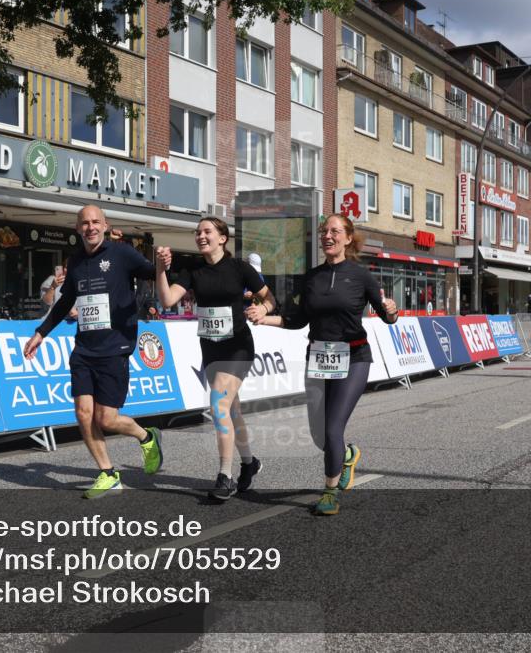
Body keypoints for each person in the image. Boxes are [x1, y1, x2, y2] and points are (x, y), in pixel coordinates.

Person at [248, 214, 398, 516]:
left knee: (332, 430)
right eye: (324, 231)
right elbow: (296, 318)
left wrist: (392, 311)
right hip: (317, 359)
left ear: (347, 238)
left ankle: (330, 492)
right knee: (320, 436)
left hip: (354, 358)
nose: (327, 235)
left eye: (335, 231)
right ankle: (348, 455)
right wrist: (265, 319)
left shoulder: (361, 276)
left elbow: (387, 316)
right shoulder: (311, 277)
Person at [23, 205, 162, 499]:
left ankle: (146, 436)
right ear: (77, 229)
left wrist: (163, 263)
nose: (90, 227)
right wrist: (41, 332)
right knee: (84, 414)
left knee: (107, 419)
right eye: (85, 223)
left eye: (95, 222)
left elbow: (151, 272)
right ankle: (108, 474)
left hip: (115, 347)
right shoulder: (75, 263)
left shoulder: (121, 254)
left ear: (105, 225)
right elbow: (64, 303)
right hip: (84, 348)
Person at [154, 218, 275, 500]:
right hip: (210, 347)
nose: (201, 236)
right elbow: (168, 300)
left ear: (223, 238)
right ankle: (249, 463)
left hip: (238, 347)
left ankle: (225, 475)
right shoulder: (193, 271)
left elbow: (270, 297)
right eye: (197, 232)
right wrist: (161, 269)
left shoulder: (239, 268)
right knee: (232, 411)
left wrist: (263, 310)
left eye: (207, 231)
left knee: (218, 405)